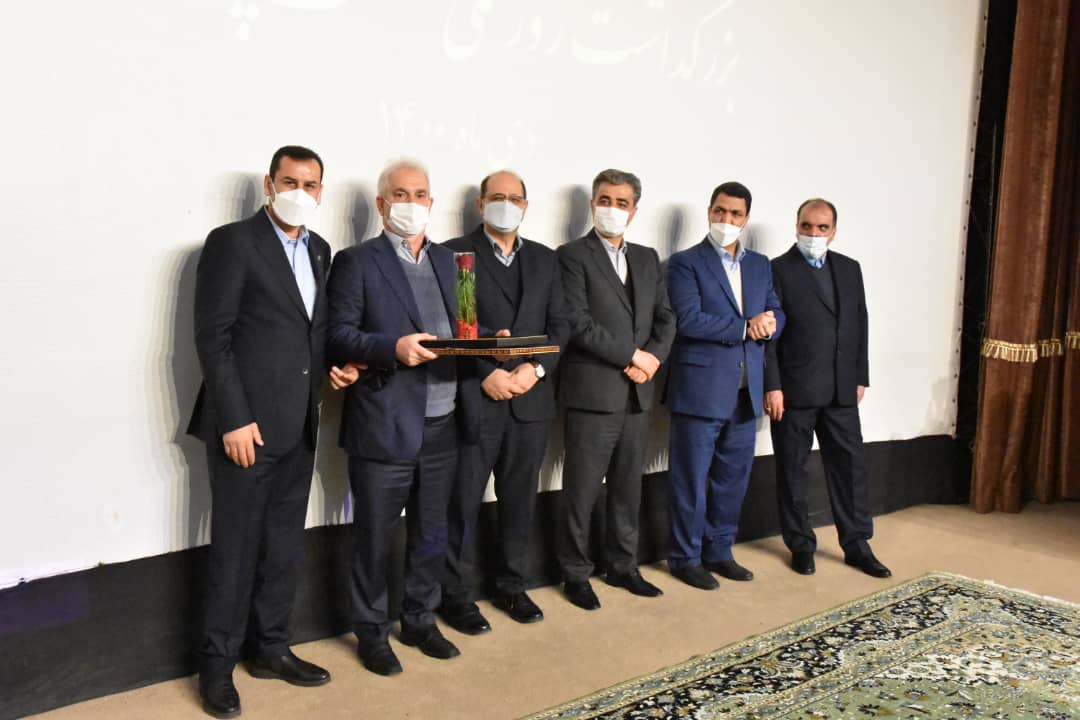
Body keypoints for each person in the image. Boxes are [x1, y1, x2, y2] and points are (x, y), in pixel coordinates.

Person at [188, 145, 359, 718]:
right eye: (289, 182)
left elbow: (311, 332)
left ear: (320, 192)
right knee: (235, 551)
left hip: (299, 426)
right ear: (269, 184)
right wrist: (234, 418)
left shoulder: (319, 249)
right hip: (245, 429)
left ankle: (271, 649)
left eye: (310, 185)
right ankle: (216, 669)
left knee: (283, 547)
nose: (299, 193)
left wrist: (336, 366)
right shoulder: (232, 242)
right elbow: (213, 337)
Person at [327, 159, 480, 677]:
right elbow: (339, 335)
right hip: (384, 423)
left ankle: (419, 619)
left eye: (419, 194)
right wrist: (392, 347)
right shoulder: (356, 261)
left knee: (431, 533)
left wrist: (494, 342)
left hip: (444, 424)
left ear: (431, 203)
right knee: (374, 537)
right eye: (399, 194)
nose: (410, 203)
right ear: (381, 203)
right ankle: (372, 633)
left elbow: (467, 331)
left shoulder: (458, 263)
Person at [440, 170, 567, 633]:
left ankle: (512, 586)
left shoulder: (545, 259)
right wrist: (486, 374)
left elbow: (560, 324)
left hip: (530, 401)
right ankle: (456, 596)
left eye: (515, 198)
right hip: (479, 399)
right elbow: (458, 324)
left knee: (519, 501)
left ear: (526, 206)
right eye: (497, 197)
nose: (506, 204)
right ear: (480, 204)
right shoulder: (458, 255)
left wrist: (535, 370)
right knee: (462, 501)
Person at [555, 168, 676, 610]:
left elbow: (666, 317)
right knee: (582, 491)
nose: (612, 209)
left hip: (638, 395)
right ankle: (575, 573)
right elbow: (578, 322)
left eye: (621, 203)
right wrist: (632, 356)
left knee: (628, 488)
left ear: (634, 210)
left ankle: (623, 566)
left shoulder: (646, 257)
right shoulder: (571, 255)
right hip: (593, 394)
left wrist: (653, 358)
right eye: (604, 200)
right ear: (592, 204)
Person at [665, 181, 784, 591]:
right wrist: (746, 327)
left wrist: (770, 324)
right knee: (690, 480)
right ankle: (685, 557)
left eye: (735, 214)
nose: (726, 219)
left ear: (746, 218)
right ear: (709, 211)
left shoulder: (760, 264)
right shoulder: (685, 263)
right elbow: (689, 320)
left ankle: (719, 551)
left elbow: (776, 311)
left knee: (732, 479)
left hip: (746, 390)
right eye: (720, 211)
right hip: (700, 389)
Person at [764, 198, 891, 579]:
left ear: (834, 231)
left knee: (850, 468)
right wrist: (773, 386)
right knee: (793, 471)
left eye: (822, 228)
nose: (814, 234)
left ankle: (857, 544)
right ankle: (801, 545)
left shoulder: (850, 268)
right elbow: (769, 337)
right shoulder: (777, 269)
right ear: (796, 226)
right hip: (794, 392)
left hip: (841, 390)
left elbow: (860, 323)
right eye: (807, 226)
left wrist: (860, 376)